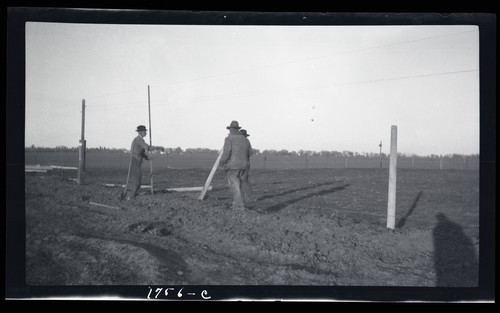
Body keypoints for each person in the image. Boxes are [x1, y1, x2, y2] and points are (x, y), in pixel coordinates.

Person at [219, 121, 253, 210]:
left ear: (231, 129)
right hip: (244, 166)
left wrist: (222, 162)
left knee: (235, 186)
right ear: (237, 129)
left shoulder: (229, 139)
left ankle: (238, 206)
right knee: (241, 185)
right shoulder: (246, 139)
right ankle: (239, 203)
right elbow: (250, 152)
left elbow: (226, 153)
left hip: (233, 166)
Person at [125, 125, 163, 200]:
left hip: (136, 160)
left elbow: (141, 152)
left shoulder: (139, 140)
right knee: (136, 178)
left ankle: (135, 193)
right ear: (141, 132)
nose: (145, 133)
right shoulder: (139, 139)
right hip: (135, 160)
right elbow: (148, 147)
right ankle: (131, 196)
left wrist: (147, 157)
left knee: (138, 177)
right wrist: (158, 147)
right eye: (144, 131)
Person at [239, 129, 254, 204]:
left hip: (239, 164)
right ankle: (248, 197)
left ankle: (247, 198)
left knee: (241, 181)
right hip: (245, 164)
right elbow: (251, 153)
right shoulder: (247, 141)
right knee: (244, 180)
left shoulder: (238, 142)